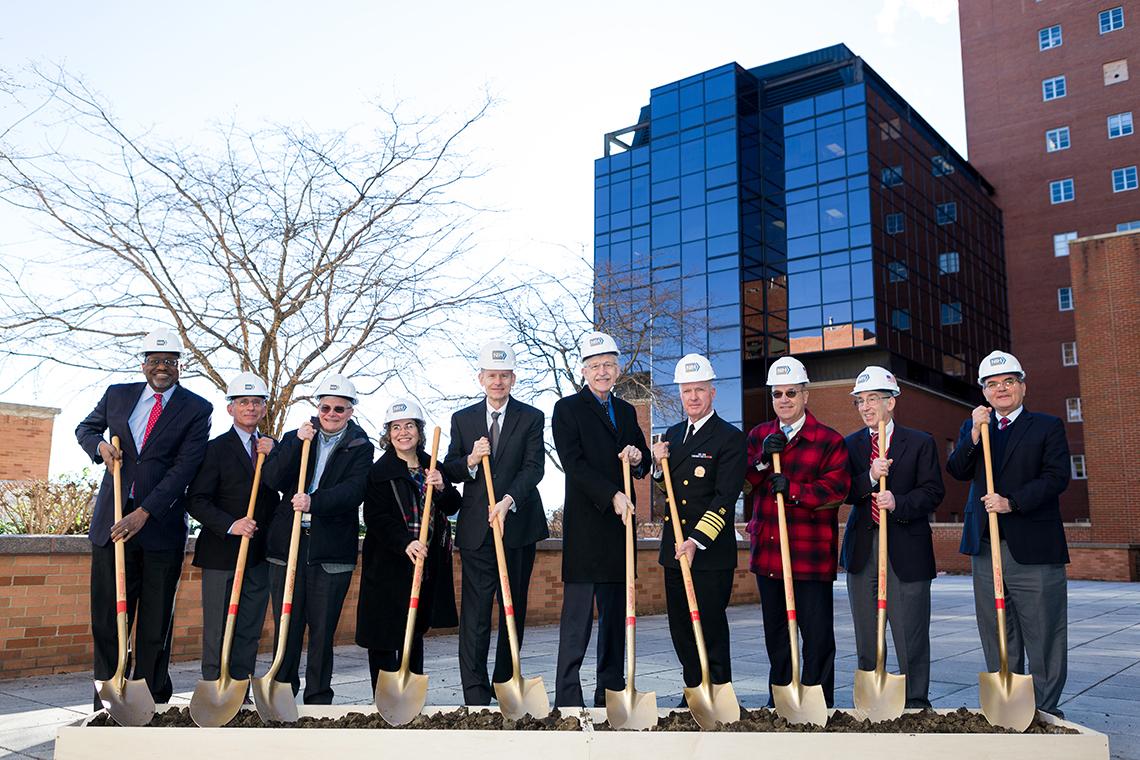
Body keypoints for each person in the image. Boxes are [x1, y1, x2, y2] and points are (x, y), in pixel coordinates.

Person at [76, 327, 212, 709]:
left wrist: (145, 512)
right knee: (108, 619)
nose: (161, 367)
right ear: (144, 364)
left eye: (168, 361)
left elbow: (184, 468)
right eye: (154, 361)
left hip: (160, 529)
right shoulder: (117, 395)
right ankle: (107, 700)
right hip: (111, 525)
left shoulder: (197, 409)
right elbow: (85, 428)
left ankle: (149, 701)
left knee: (154, 625)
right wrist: (99, 446)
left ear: (179, 366)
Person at [947, 350, 1071, 717]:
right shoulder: (976, 428)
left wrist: (1011, 503)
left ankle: (1044, 708)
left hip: (1034, 548)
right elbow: (957, 470)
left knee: (1043, 631)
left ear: (1022, 387)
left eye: (1009, 382)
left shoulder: (1047, 426)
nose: (1001, 389)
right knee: (998, 630)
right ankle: (1009, 705)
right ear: (984, 392)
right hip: (987, 546)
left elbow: (1056, 478)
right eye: (992, 384)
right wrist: (973, 433)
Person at [441, 341, 547, 706]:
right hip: (477, 529)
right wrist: (471, 459)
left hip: (517, 526)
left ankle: (505, 682)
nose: (497, 382)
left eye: (504, 375)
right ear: (480, 378)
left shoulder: (531, 417)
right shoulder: (463, 419)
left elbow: (534, 468)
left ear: (513, 378)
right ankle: (474, 691)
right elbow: (450, 468)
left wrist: (507, 500)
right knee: (475, 613)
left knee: (512, 609)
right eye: (491, 376)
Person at [551, 331, 650, 707]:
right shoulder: (567, 409)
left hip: (619, 530)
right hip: (587, 528)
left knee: (614, 619)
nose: (602, 371)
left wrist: (638, 458)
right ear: (584, 371)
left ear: (618, 369)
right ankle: (567, 697)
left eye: (608, 364)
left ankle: (609, 691)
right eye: (595, 366)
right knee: (577, 620)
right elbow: (573, 464)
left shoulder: (625, 411)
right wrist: (611, 495)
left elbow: (643, 459)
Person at [744, 355, 849, 708]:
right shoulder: (759, 435)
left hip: (809, 556)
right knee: (776, 633)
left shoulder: (828, 440)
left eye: (791, 392)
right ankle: (781, 698)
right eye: (777, 394)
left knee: (816, 635)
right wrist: (762, 459)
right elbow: (744, 483)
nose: (784, 400)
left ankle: (818, 700)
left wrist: (793, 490)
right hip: (769, 552)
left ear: (805, 395)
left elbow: (836, 492)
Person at [262, 374, 373, 704]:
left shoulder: (360, 446)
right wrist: (295, 443)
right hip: (289, 544)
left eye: (339, 409)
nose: (331, 414)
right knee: (287, 624)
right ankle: (281, 694)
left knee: (323, 631)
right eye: (325, 407)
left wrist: (314, 501)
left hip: (330, 549)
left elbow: (354, 491)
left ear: (350, 411)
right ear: (317, 408)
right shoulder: (296, 437)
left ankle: (318, 698)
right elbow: (272, 478)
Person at [839, 366, 944, 709]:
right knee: (867, 634)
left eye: (872, 399)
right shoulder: (851, 445)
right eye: (860, 401)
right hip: (863, 550)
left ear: (891, 401)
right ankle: (873, 701)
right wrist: (870, 477)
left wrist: (899, 502)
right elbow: (844, 491)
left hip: (906, 549)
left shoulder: (920, 442)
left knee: (910, 632)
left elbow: (933, 492)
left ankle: (915, 700)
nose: (865, 407)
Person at [650, 354, 746, 706]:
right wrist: (657, 468)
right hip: (674, 550)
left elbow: (725, 498)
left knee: (710, 625)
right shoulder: (672, 435)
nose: (693, 397)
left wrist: (696, 540)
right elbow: (671, 494)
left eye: (699, 390)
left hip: (708, 550)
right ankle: (693, 690)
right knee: (680, 627)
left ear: (712, 392)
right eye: (687, 390)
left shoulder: (730, 438)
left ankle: (718, 692)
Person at [356, 399, 460, 690]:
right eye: (396, 427)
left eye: (409, 426)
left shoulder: (432, 466)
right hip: (389, 564)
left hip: (424, 564)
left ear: (419, 430)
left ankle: (411, 693)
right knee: (383, 633)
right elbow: (375, 517)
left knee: (413, 631)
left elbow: (453, 505)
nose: (403, 432)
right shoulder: (380, 472)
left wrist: (441, 487)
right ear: (388, 434)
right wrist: (406, 542)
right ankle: (385, 695)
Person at [187, 372, 279, 688]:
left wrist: (276, 455)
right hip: (221, 552)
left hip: (259, 553)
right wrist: (231, 524)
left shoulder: (273, 449)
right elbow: (196, 500)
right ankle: (215, 688)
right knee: (217, 627)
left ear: (264, 408)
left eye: (256, 402)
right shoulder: (214, 449)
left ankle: (240, 688)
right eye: (243, 402)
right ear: (231, 408)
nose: (250, 407)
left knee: (250, 627)